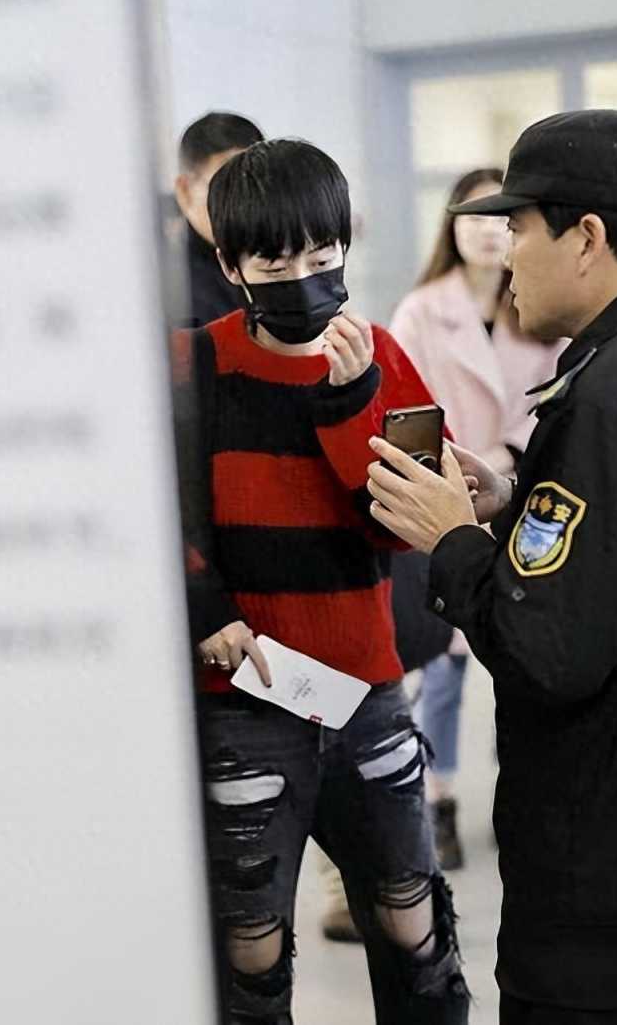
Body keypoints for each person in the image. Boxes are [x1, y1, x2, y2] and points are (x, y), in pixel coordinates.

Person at [366, 108, 617, 1023]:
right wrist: (518, 493)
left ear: (588, 238)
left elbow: (548, 648)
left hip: (601, 893)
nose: (506, 257)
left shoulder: (610, 392)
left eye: (520, 228)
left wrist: (453, 543)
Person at [176, 138, 469, 1024]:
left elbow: (408, 522)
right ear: (231, 265)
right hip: (243, 696)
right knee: (250, 944)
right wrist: (206, 606)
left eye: (320, 254)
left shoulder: (385, 357)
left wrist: (349, 401)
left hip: (366, 692)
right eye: (274, 263)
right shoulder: (193, 365)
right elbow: (157, 509)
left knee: (414, 925)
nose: (303, 278)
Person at [388, 168, 563, 870]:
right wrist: (461, 459)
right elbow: (404, 403)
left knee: (522, 655)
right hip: (447, 493)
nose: (488, 231)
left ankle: (519, 793)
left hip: (521, 488)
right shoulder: (422, 309)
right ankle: (440, 801)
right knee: (443, 663)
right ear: (450, 227)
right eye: (472, 217)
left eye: (500, 218)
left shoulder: (537, 304)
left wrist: (508, 454)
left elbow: (558, 391)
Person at [174, 111, 263, 326]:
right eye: (225, 186)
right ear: (185, 192)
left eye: (255, 184)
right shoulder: (175, 290)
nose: (244, 202)